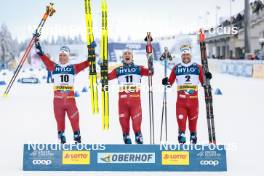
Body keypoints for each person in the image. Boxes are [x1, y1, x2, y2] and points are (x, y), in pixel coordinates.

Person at [34, 38, 90, 144]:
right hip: (58, 101)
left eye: (64, 55)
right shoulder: (54, 66)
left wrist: (91, 51)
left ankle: (77, 137)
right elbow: (43, 57)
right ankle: (62, 139)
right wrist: (37, 45)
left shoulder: (73, 67)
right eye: (60, 55)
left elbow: (88, 63)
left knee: (75, 120)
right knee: (60, 123)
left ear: (68, 56)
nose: (62, 57)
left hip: (70, 100)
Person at [162, 45, 212, 144]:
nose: (186, 57)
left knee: (193, 127)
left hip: (194, 102)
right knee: (181, 126)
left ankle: (193, 141)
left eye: (187, 55)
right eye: (184, 55)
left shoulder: (198, 67)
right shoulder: (176, 68)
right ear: (181, 56)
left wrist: (208, 77)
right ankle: (182, 139)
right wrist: (165, 82)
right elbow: (169, 84)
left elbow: (204, 84)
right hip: (181, 103)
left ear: (191, 55)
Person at [108, 49, 153, 144]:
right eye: (125, 54)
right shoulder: (118, 70)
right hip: (122, 103)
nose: (127, 55)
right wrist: (103, 69)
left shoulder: (138, 68)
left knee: (136, 124)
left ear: (132, 57)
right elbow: (107, 77)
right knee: (124, 123)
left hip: (135, 102)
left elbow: (150, 72)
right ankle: (126, 136)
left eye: (129, 54)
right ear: (122, 57)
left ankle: (138, 136)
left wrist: (150, 62)